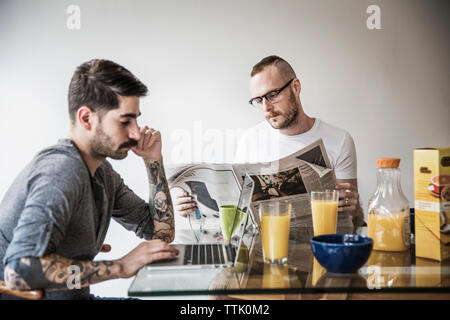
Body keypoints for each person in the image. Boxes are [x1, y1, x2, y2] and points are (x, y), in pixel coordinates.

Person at [0, 59, 178, 300]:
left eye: (136, 120)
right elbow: (18, 272)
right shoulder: (61, 172)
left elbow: (160, 234)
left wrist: (153, 161)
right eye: (125, 121)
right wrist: (120, 267)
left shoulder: (103, 173)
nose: (136, 133)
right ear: (86, 118)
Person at [172, 55, 365, 231]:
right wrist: (193, 207)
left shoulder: (339, 140)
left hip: (321, 249)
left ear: (295, 87)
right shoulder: (250, 139)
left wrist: (353, 209)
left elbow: (353, 222)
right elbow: (238, 215)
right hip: (264, 252)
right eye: (258, 100)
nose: (266, 108)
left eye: (273, 95)